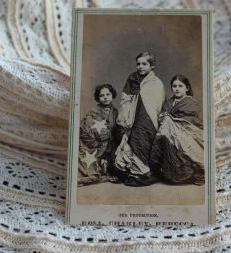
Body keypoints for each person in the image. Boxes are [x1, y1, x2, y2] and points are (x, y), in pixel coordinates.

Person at [114, 52, 165, 186]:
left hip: (148, 119)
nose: (140, 66)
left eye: (144, 64)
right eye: (138, 64)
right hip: (131, 116)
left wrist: (147, 117)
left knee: (141, 139)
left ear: (152, 66)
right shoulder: (132, 79)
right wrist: (126, 118)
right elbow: (125, 99)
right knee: (127, 139)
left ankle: (143, 173)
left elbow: (156, 104)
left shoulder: (156, 83)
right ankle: (134, 171)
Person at [149, 74, 205, 185]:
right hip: (169, 133)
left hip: (188, 135)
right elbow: (162, 116)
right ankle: (169, 172)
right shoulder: (169, 103)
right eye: (174, 86)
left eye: (180, 86)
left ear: (187, 88)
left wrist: (172, 121)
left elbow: (194, 122)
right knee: (164, 131)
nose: (177, 89)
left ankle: (195, 172)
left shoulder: (191, 103)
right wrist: (164, 118)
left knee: (171, 132)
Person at [78, 84, 118, 186]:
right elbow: (85, 131)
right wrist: (96, 144)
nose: (105, 97)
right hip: (95, 146)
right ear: (98, 98)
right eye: (102, 95)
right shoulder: (92, 113)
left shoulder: (116, 112)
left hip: (110, 145)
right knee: (92, 169)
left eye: (108, 94)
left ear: (112, 95)